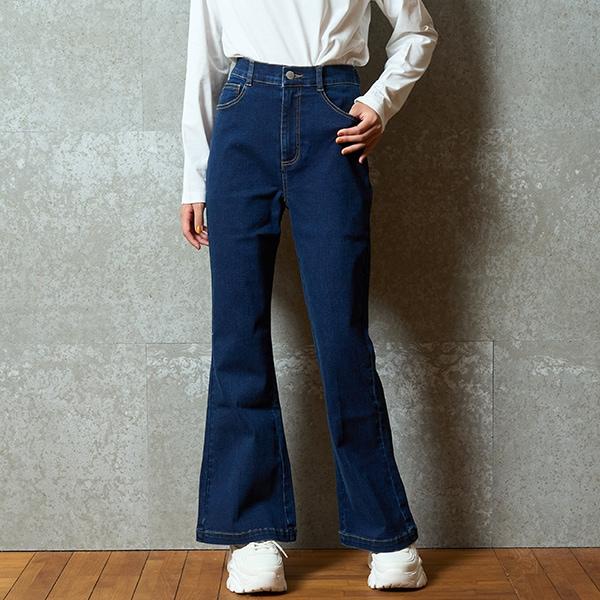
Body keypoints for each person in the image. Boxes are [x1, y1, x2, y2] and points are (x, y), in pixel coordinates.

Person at [179, 0, 438, 593]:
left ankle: (387, 535)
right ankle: (254, 534)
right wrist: (194, 176)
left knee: (343, 338)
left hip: (333, 116)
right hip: (242, 115)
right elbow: (206, 58)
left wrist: (380, 101)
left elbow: (418, 30)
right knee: (238, 336)